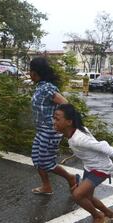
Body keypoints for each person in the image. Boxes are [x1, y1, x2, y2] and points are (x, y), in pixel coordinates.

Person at [53, 103, 113, 223]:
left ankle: (98, 217)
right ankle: (109, 213)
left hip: (100, 168)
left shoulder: (80, 139)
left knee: (78, 195)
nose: (54, 121)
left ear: (69, 122)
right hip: (90, 167)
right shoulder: (73, 132)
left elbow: (104, 146)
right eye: (54, 118)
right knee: (87, 197)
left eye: (57, 119)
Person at [30, 57, 78, 195]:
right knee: (37, 159)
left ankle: (71, 178)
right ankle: (46, 187)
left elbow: (66, 104)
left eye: (30, 71)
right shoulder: (40, 86)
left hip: (50, 131)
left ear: (34, 72)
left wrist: (60, 123)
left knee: (45, 162)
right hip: (41, 130)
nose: (29, 74)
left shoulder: (47, 88)